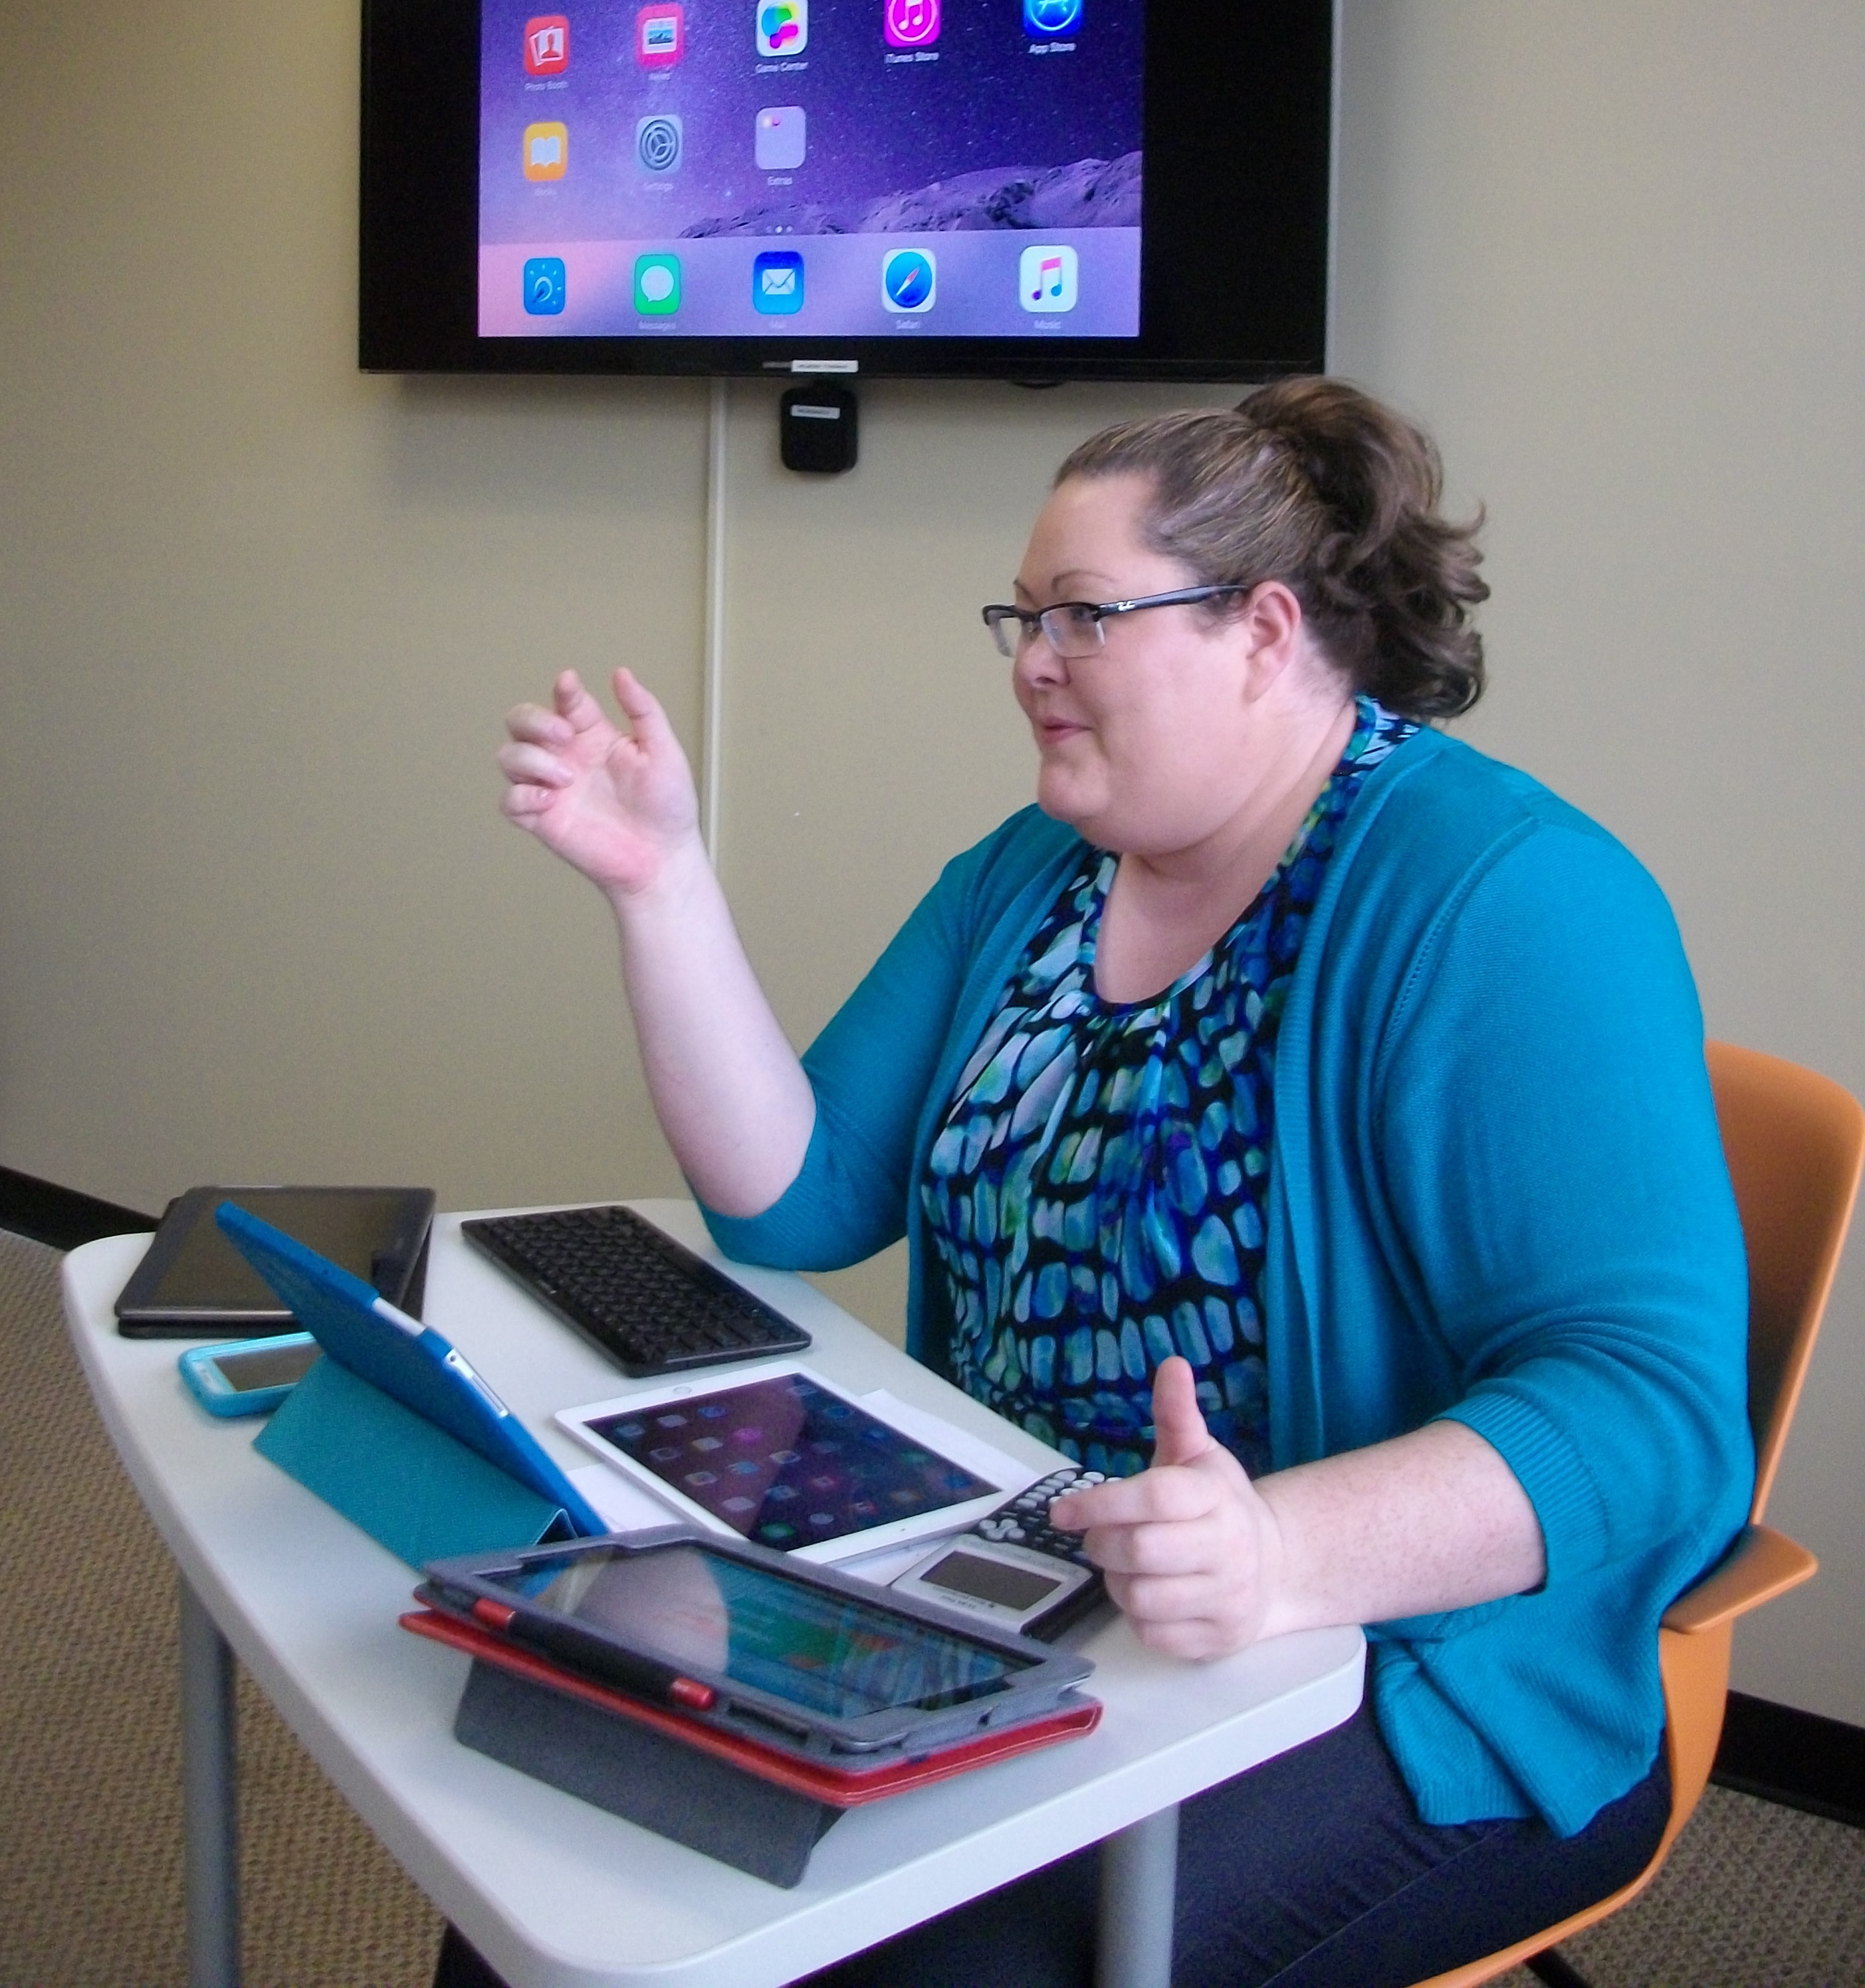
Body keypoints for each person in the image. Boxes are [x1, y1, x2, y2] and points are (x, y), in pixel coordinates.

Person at [485, 377, 1751, 1988]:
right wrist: (661, 884)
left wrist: (1276, 1551)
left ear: (1264, 630)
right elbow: (793, 1201)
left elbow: (1655, 1420)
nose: (1030, 662)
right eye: (1021, 614)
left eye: (1082, 615)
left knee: (909, 1961)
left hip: (1385, 1663)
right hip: (1011, 1584)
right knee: (577, 1823)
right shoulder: (1033, 871)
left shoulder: (1511, 900)